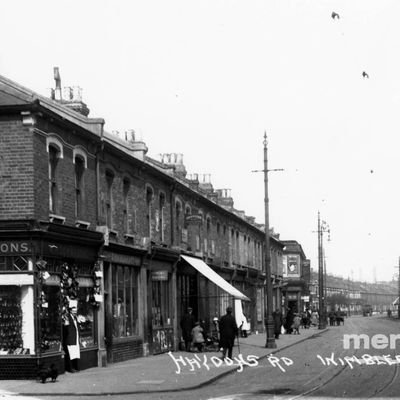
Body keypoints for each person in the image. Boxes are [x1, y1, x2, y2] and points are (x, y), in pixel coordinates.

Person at [63, 306, 80, 373]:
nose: (75, 312)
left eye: (76, 311)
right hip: (70, 339)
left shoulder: (75, 318)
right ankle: (70, 368)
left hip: (75, 338)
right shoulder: (68, 317)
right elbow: (66, 328)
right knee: (71, 354)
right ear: (70, 311)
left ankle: (75, 367)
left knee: (75, 353)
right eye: (74, 311)